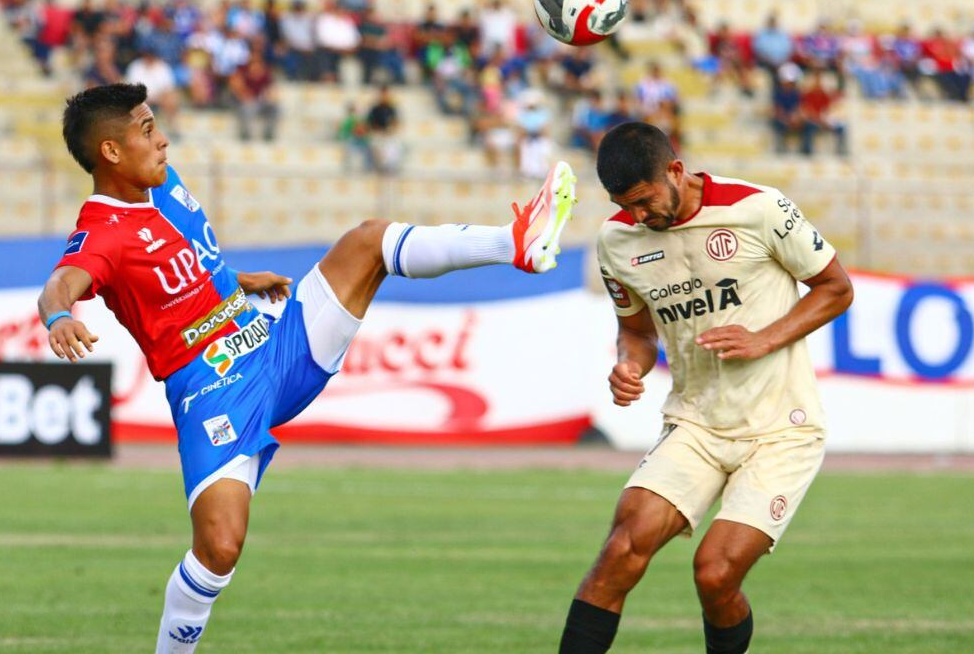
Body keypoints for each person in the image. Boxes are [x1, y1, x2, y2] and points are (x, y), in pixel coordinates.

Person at [37, 83, 577, 654]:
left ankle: (515, 242)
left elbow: (182, 264)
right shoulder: (102, 233)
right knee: (220, 548)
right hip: (214, 390)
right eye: (147, 130)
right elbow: (60, 284)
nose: (163, 139)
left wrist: (237, 282)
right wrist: (58, 318)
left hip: (273, 344)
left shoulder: (162, 184)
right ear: (112, 152)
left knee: (368, 241)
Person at [558, 122, 853, 654]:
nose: (639, 217)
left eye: (645, 201)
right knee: (620, 551)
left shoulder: (759, 209)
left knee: (715, 573)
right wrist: (629, 365)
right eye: (625, 205)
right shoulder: (617, 241)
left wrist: (764, 338)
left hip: (780, 429)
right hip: (694, 421)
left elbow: (836, 288)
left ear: (675, 170)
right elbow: (637, 332)